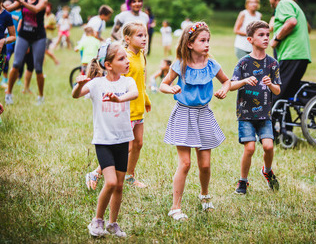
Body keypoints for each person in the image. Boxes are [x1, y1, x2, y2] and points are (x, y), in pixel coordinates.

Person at [159, 22, 230, 220]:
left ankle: (205, 195)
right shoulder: (180, 64)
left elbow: (226, 80)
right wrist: (170, 89)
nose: (207, 44)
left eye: (208, 40)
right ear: (190, 44)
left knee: (205, 164)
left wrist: (224, 89)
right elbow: (163, 85)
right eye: (202, 40)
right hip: (183, 114)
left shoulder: (212, 65)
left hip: (203, 114)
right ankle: (175, 207)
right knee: (186, 163)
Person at [72, 40, 138, 238]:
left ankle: (112, 223)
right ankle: (97, 221)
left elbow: (134, 94)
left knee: (119, 185)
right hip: (103, 141)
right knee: (109, 182)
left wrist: (120, 99)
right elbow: (75, 95)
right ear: (108, 65)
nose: (127, 61)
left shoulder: (128, 82)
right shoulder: (97, 84)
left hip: (123, 139)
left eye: (126, 57)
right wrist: (79, 85)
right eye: (121, 58)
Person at [86, 21, 151, 190]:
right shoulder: (124, 58)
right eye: (140, 35)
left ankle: (130, 175)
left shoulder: (141, 55)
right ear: (127, 39)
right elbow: (118, 82)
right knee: (126, 146)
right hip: (125, 109)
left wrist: (146, 98)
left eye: (145, 35)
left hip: (138, 107)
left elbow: (140, 81)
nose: (144, 38)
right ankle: (96, 172)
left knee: (138, 144)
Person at [230, 20, 281, 194]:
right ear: (250, 40)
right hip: (245, 114)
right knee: (250, 148)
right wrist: (244, 81)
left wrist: (270, 84)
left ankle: (267, 171)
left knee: (268, 146)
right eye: (261, 35)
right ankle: (242, 181)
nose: (266, 38)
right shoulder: (243, 63)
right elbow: (231, 85)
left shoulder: (272, 63)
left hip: (265, 114)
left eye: (267, 34)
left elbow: (278, 89)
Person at [4, 0, 48, 106]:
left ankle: (40, 96)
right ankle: (8, 94)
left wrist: (21, 2)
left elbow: (35, 10)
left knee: (38, 68)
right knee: (16, 64)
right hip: (23, 36)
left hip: (38, 37)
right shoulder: (22, 0)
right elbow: (7, 10)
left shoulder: (43, 0)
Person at [268, 0, 311, 103]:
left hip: (292, 55)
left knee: (274, 93)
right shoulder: (293, 4)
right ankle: (281, 122)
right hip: (299, 56)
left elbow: (291, 22)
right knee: (284, 94)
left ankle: (263, 122)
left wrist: (276, 39)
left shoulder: (283, 3)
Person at [2, 0, 19, 88]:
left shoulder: (9, 15)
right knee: (7, 58)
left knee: (18, 61)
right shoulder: (6, 15)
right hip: (7, 41)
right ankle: (4, 78)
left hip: (17, 40)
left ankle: (17, 79)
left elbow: (21, 20)